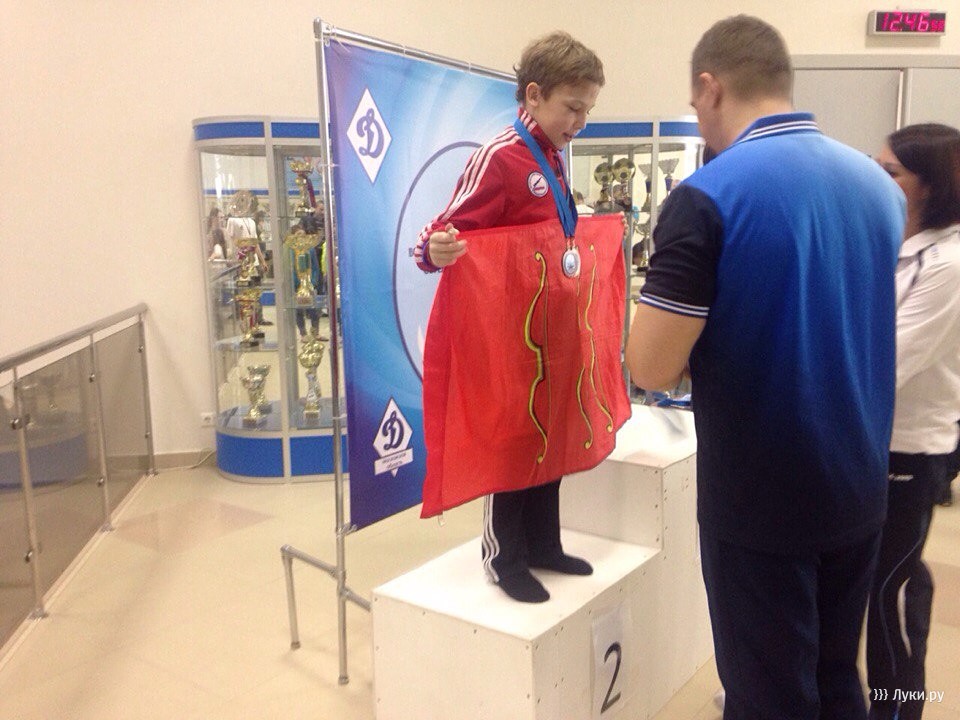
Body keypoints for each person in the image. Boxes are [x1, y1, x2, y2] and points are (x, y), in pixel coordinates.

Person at [624, 15, 905, 719]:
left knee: (768, 695)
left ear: (710, 87)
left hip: (762, 497)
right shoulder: (879, 188)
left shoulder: (707, 196)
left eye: (695, 103)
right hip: (859, 479)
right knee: (836, 677)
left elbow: (651, 366)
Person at [414, 31, 605, 603]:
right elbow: (442, 231)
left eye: (588, 111)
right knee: (513, 441)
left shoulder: (552, 155)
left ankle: (544, 543)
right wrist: (434, 249)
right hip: (511, 337)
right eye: (573, 108)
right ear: (534, 95)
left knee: (551, 435)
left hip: (553, 332)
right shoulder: (500, 156)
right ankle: (504, 558)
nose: (580, 122)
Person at [866, 123, 960, 720]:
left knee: (892, 592)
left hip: (911, 451)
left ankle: (898, 711)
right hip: (872, 444)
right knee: (868, 585)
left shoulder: (948, 263)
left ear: (930, 185)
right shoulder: (897, 245)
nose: (876, 179)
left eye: (891, 172)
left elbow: (885, 361)